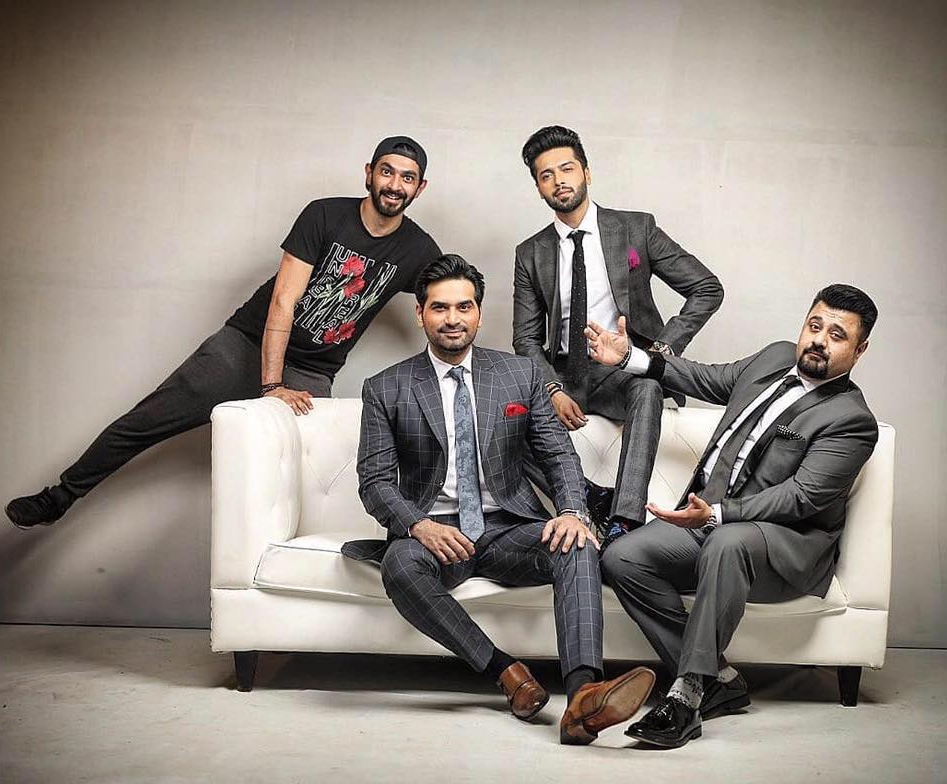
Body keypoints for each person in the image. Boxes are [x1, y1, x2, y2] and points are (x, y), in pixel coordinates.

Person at [6, 136, 441, 529]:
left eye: (407, 178)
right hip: (246, 345)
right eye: (386, 171)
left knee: (317, 474)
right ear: (369, 173)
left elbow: (452, 288)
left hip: (311, 371)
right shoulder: (325, 214)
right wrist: (271, 386)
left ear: (419, 188)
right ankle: (61, 495)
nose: (394, 185)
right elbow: (283, 301)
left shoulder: (417, 248)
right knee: (145, 421)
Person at [343, 255, 656, 745]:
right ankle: (507, 673)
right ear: (420, 314)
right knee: (400, 565)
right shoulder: (386, 387)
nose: (453, 318)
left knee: (576, 543)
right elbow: (375, 481)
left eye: (463, 307)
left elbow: (557, 454)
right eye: (440, 308)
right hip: (436, 534)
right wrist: (419, 525)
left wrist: (572, 512)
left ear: (479, 313)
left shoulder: (518, 375)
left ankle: (584, 696)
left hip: (509, 529)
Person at [588, 284, 879, 748]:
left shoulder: (851, 420)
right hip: (712, 526)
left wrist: (718, 515)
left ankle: (686, 697)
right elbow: (707, 379)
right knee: (622, 557)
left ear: (859, 350)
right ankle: (720, 679)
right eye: (815, 326)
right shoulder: (775, 358)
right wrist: (631, 358)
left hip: (782, 549)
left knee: (728, 541)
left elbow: (801, 497)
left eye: (837, 335)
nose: (819, 340)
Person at [513, 125, 724, 537]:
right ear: (538, 188)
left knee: (647, 386)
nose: (559, 181)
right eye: (546, 175)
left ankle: (624, 520)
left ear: (587, 173)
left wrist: (658, 353)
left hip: (623, 370)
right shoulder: (530, 253)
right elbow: (526, 338)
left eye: (567, 169)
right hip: (565, 375)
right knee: (500, 414)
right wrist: (551, 389)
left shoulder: (635, 229)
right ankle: (588, 497)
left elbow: (706, 288)